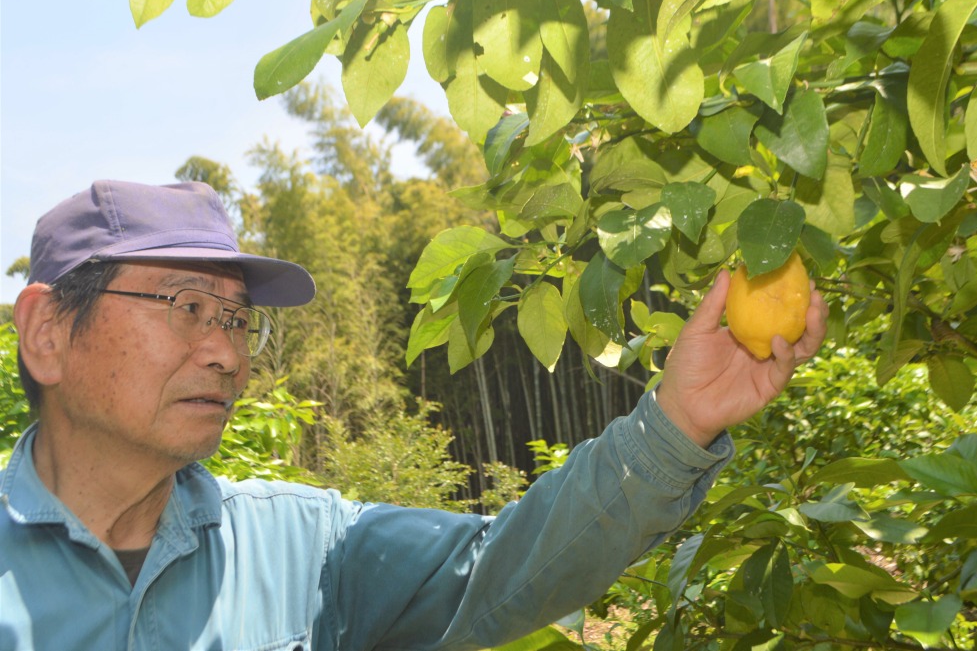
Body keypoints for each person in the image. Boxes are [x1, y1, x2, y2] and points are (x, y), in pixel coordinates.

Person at [0, 179, 827, 651]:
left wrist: (678, 420)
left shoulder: (306, 548)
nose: (227, 353)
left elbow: (503, 563)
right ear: (47, 330)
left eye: (236, 318)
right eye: (185, 304)